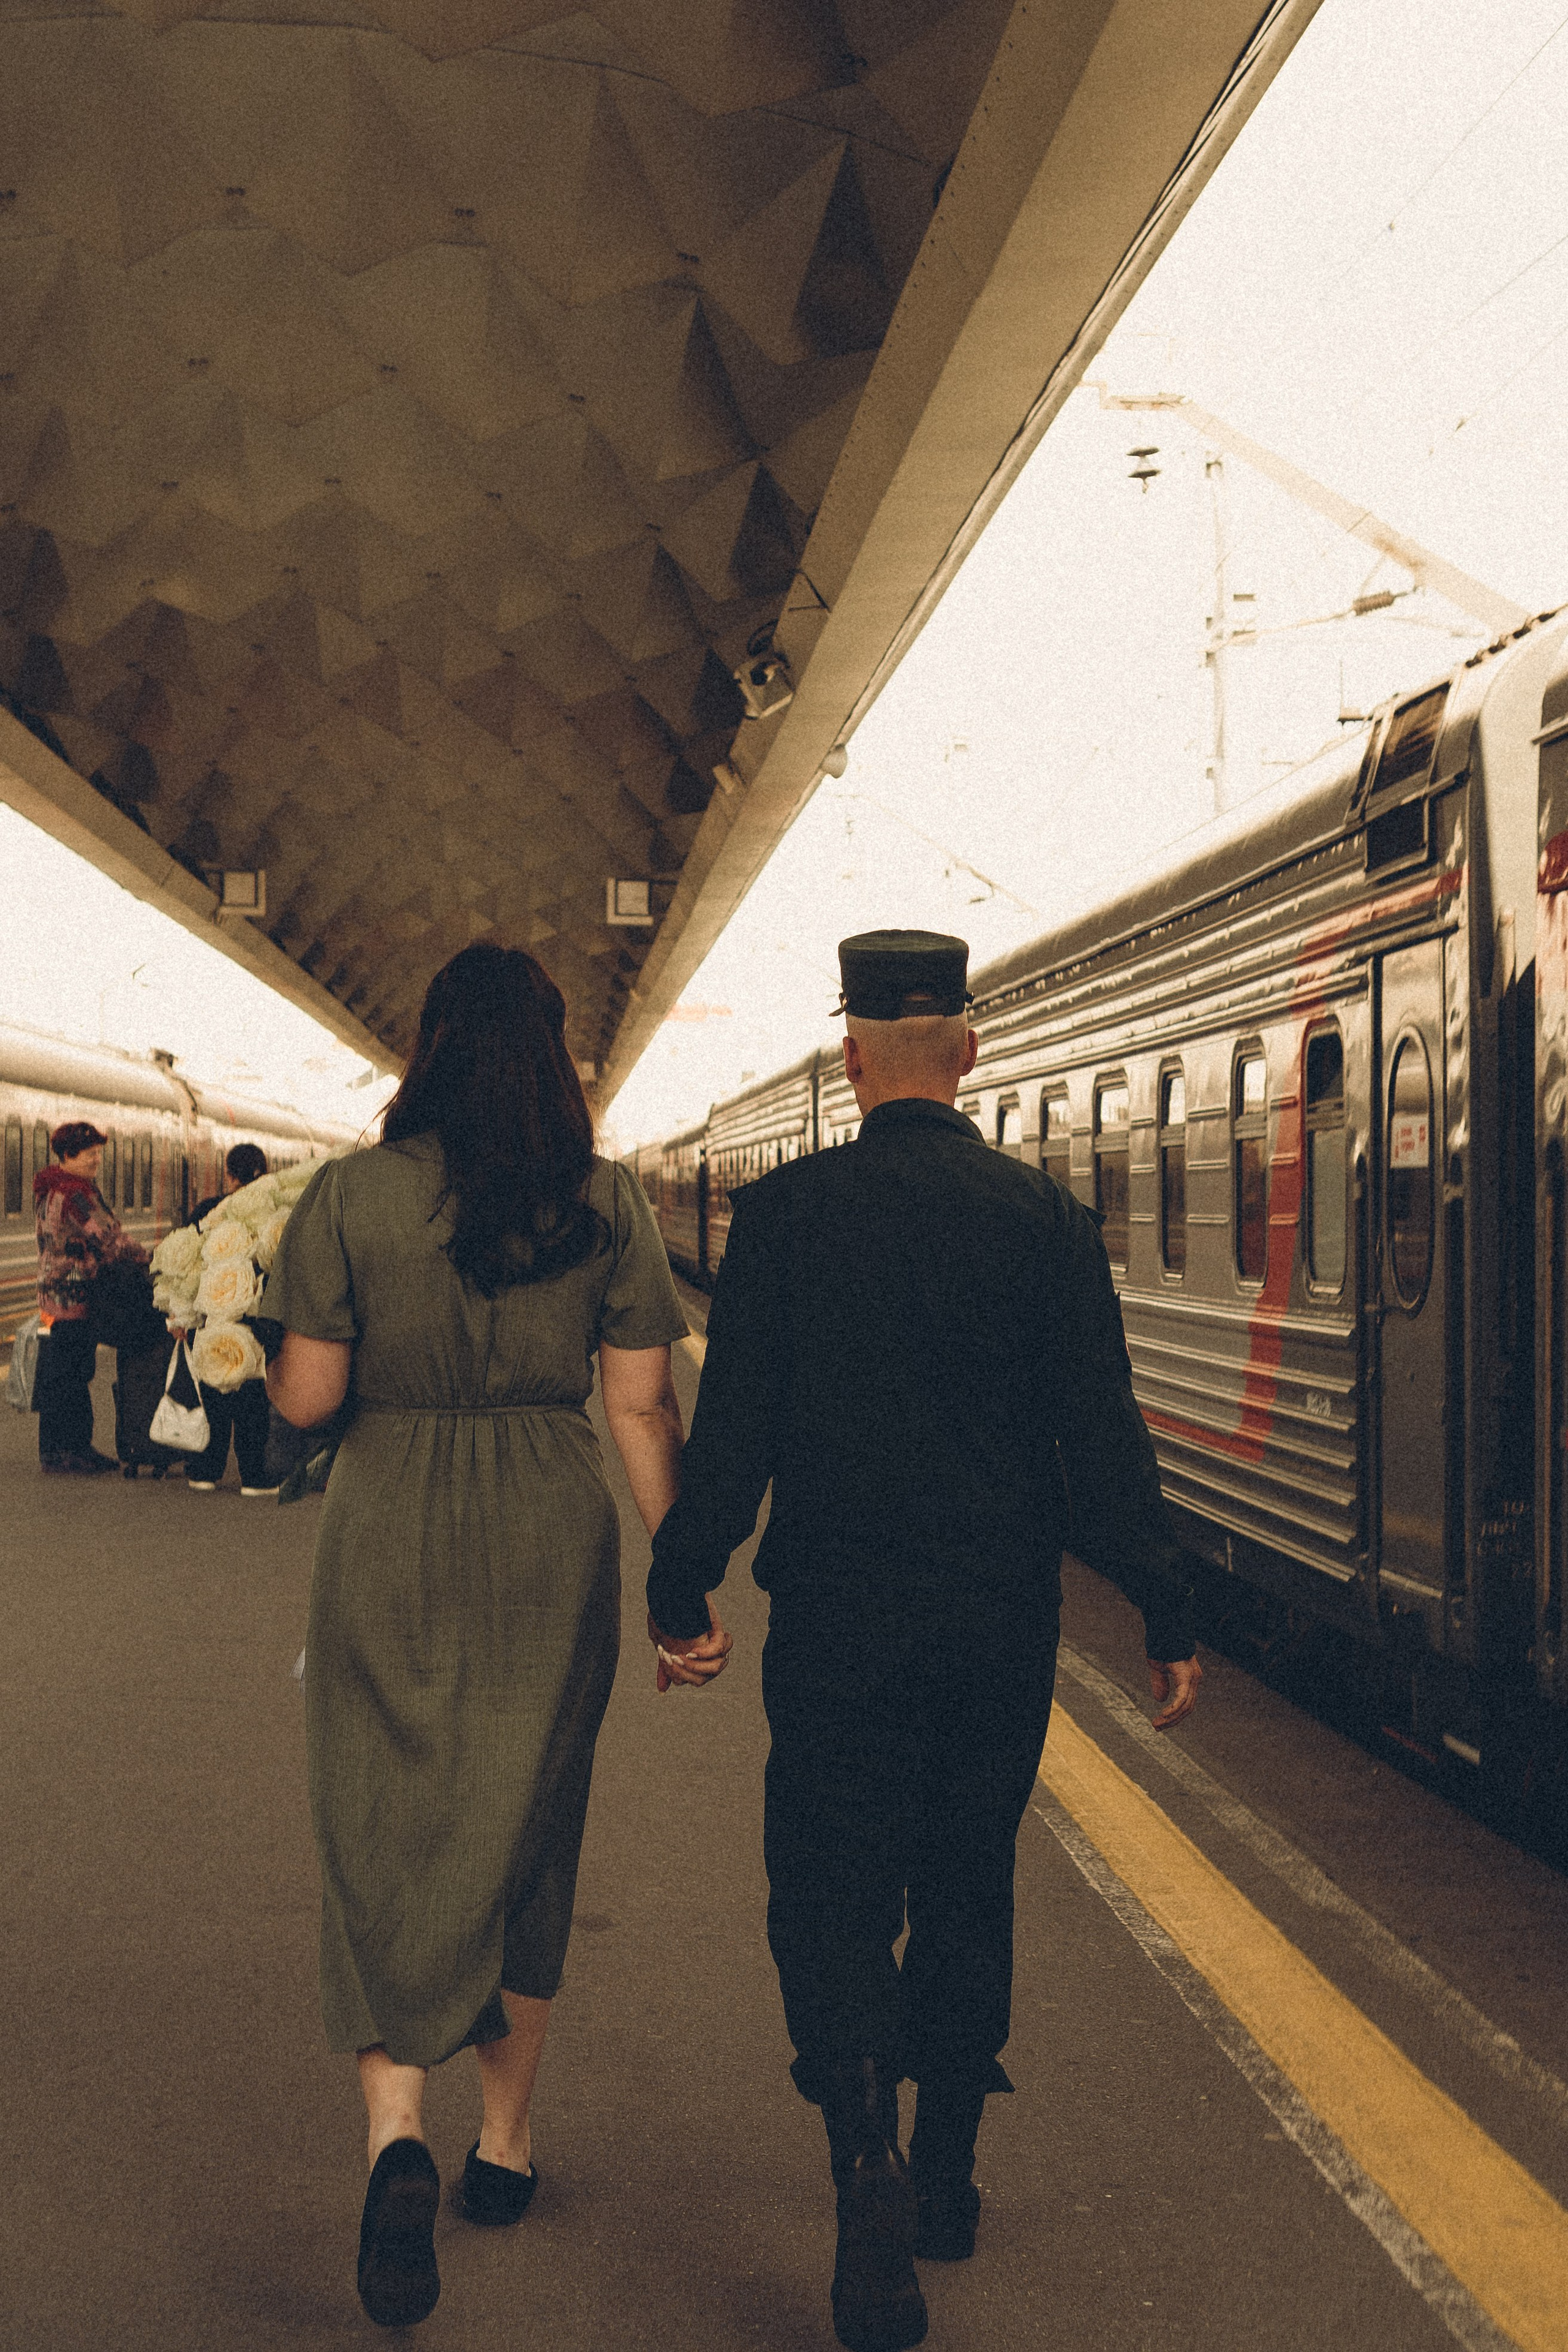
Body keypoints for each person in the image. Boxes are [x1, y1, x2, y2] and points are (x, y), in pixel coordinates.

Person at [646, 929, 1202, 2352]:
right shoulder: (1040, 1222)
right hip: (991, 1620)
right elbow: (1103, 1433)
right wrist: (1164, 1603)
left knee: (826, 1889)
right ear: (965, 1050)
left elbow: (733, 1433)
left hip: (834, 1616)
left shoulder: (784, 1217)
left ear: (848, 1055)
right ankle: (946, 2169)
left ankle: (859, 2155)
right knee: (965, 1881)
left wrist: (680, 1581)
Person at [261, 941, 723, 2331]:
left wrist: (287, 1343)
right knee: (529, 1824)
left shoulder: (346, 1196)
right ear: (553, 1057)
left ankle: (394, 2130)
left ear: (429, 1047)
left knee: (380, 1824)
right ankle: (504, 2148)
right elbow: (642, 1410)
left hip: (387, 1516)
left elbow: (302, 1401)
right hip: (546, 1521)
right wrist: (681, 1588)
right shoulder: (603, 1203)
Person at [32, 1120, 151, 1475]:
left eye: (99, 1153)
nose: (97, 1160)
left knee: (58, 1373)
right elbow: (109, 1238)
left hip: (51, 1298)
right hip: (76, 1296)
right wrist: (149, 1258)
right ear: (69, 1155)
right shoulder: (76, 1193)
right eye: (91, 1154)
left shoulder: (48, 1188)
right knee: (74, 1373)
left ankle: (54, 1450)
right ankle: (75, 1450)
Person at [180, 1141, 275, 1495]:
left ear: (228, 1174)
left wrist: (183, 1316)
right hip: (252, 1316)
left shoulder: (209, 1212)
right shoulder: (271, 1218)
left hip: (209, 1315)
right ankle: (253, 1476)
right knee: (251, 1395)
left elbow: (189, 1267)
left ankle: (204, 1471)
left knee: (213, 1390)